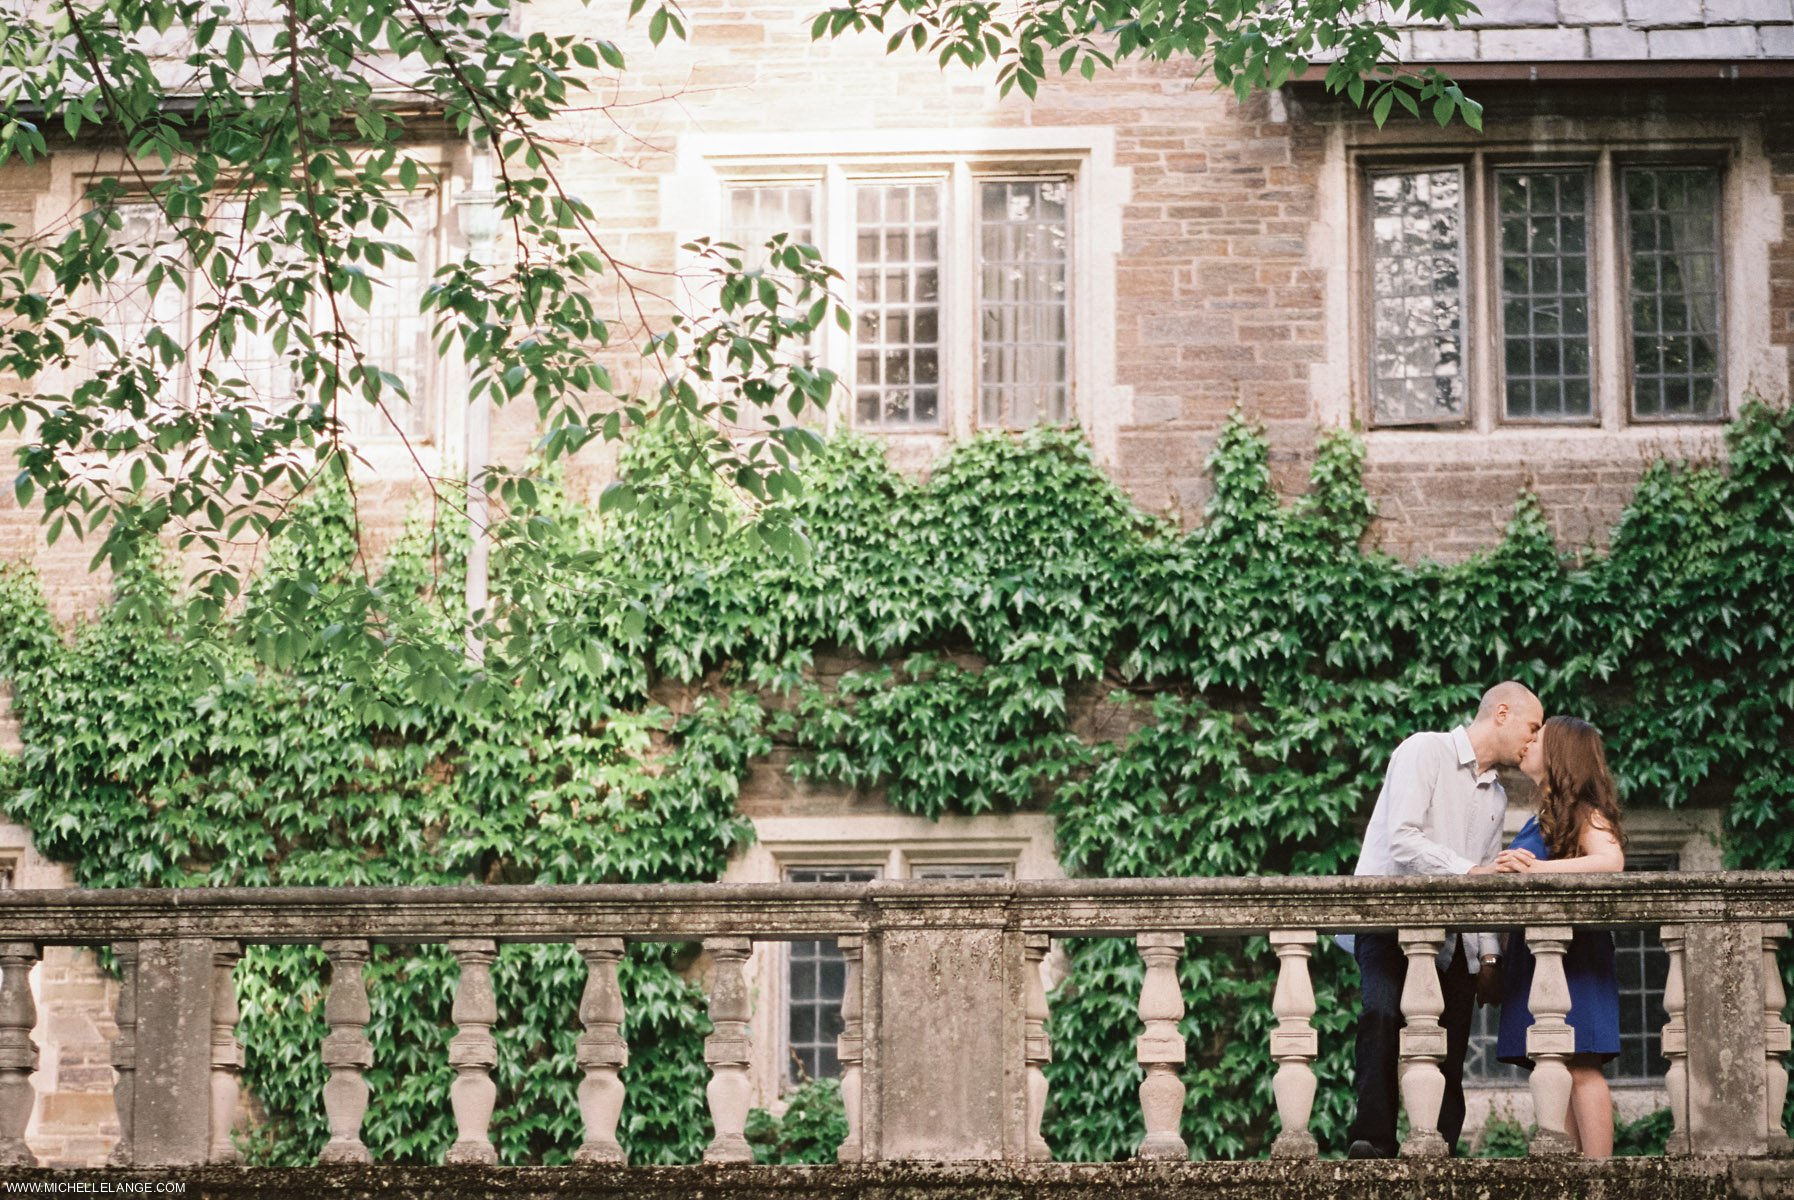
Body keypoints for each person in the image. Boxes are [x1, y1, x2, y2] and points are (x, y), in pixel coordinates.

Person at [1343, 681, 1544, 1160]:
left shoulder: (1496, 797)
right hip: (1387, 925)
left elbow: (1487, 876)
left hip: (1454, 938)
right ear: (1501, 713)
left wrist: (1489, 954)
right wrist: (1469, 872)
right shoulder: (1423, 751)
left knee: (1451, 1045)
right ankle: (1373, 1140)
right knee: (1382, 1014)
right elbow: (1403, 840)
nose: (1534, 741)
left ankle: (1441, 1150)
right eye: (1532, 727)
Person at [1493, 715, 1626, 1157]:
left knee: (1581, 1063)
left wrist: (1537, 869)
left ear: (1560, 755)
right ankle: (1573, 1177)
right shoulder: (1545, 815)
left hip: (1574, 958)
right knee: (1557, 1065)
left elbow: (1610, 862)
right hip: (1539, 959)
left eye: (1539, 737)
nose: (1528, 742)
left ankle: (1599, 1178)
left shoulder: (1585, 810)